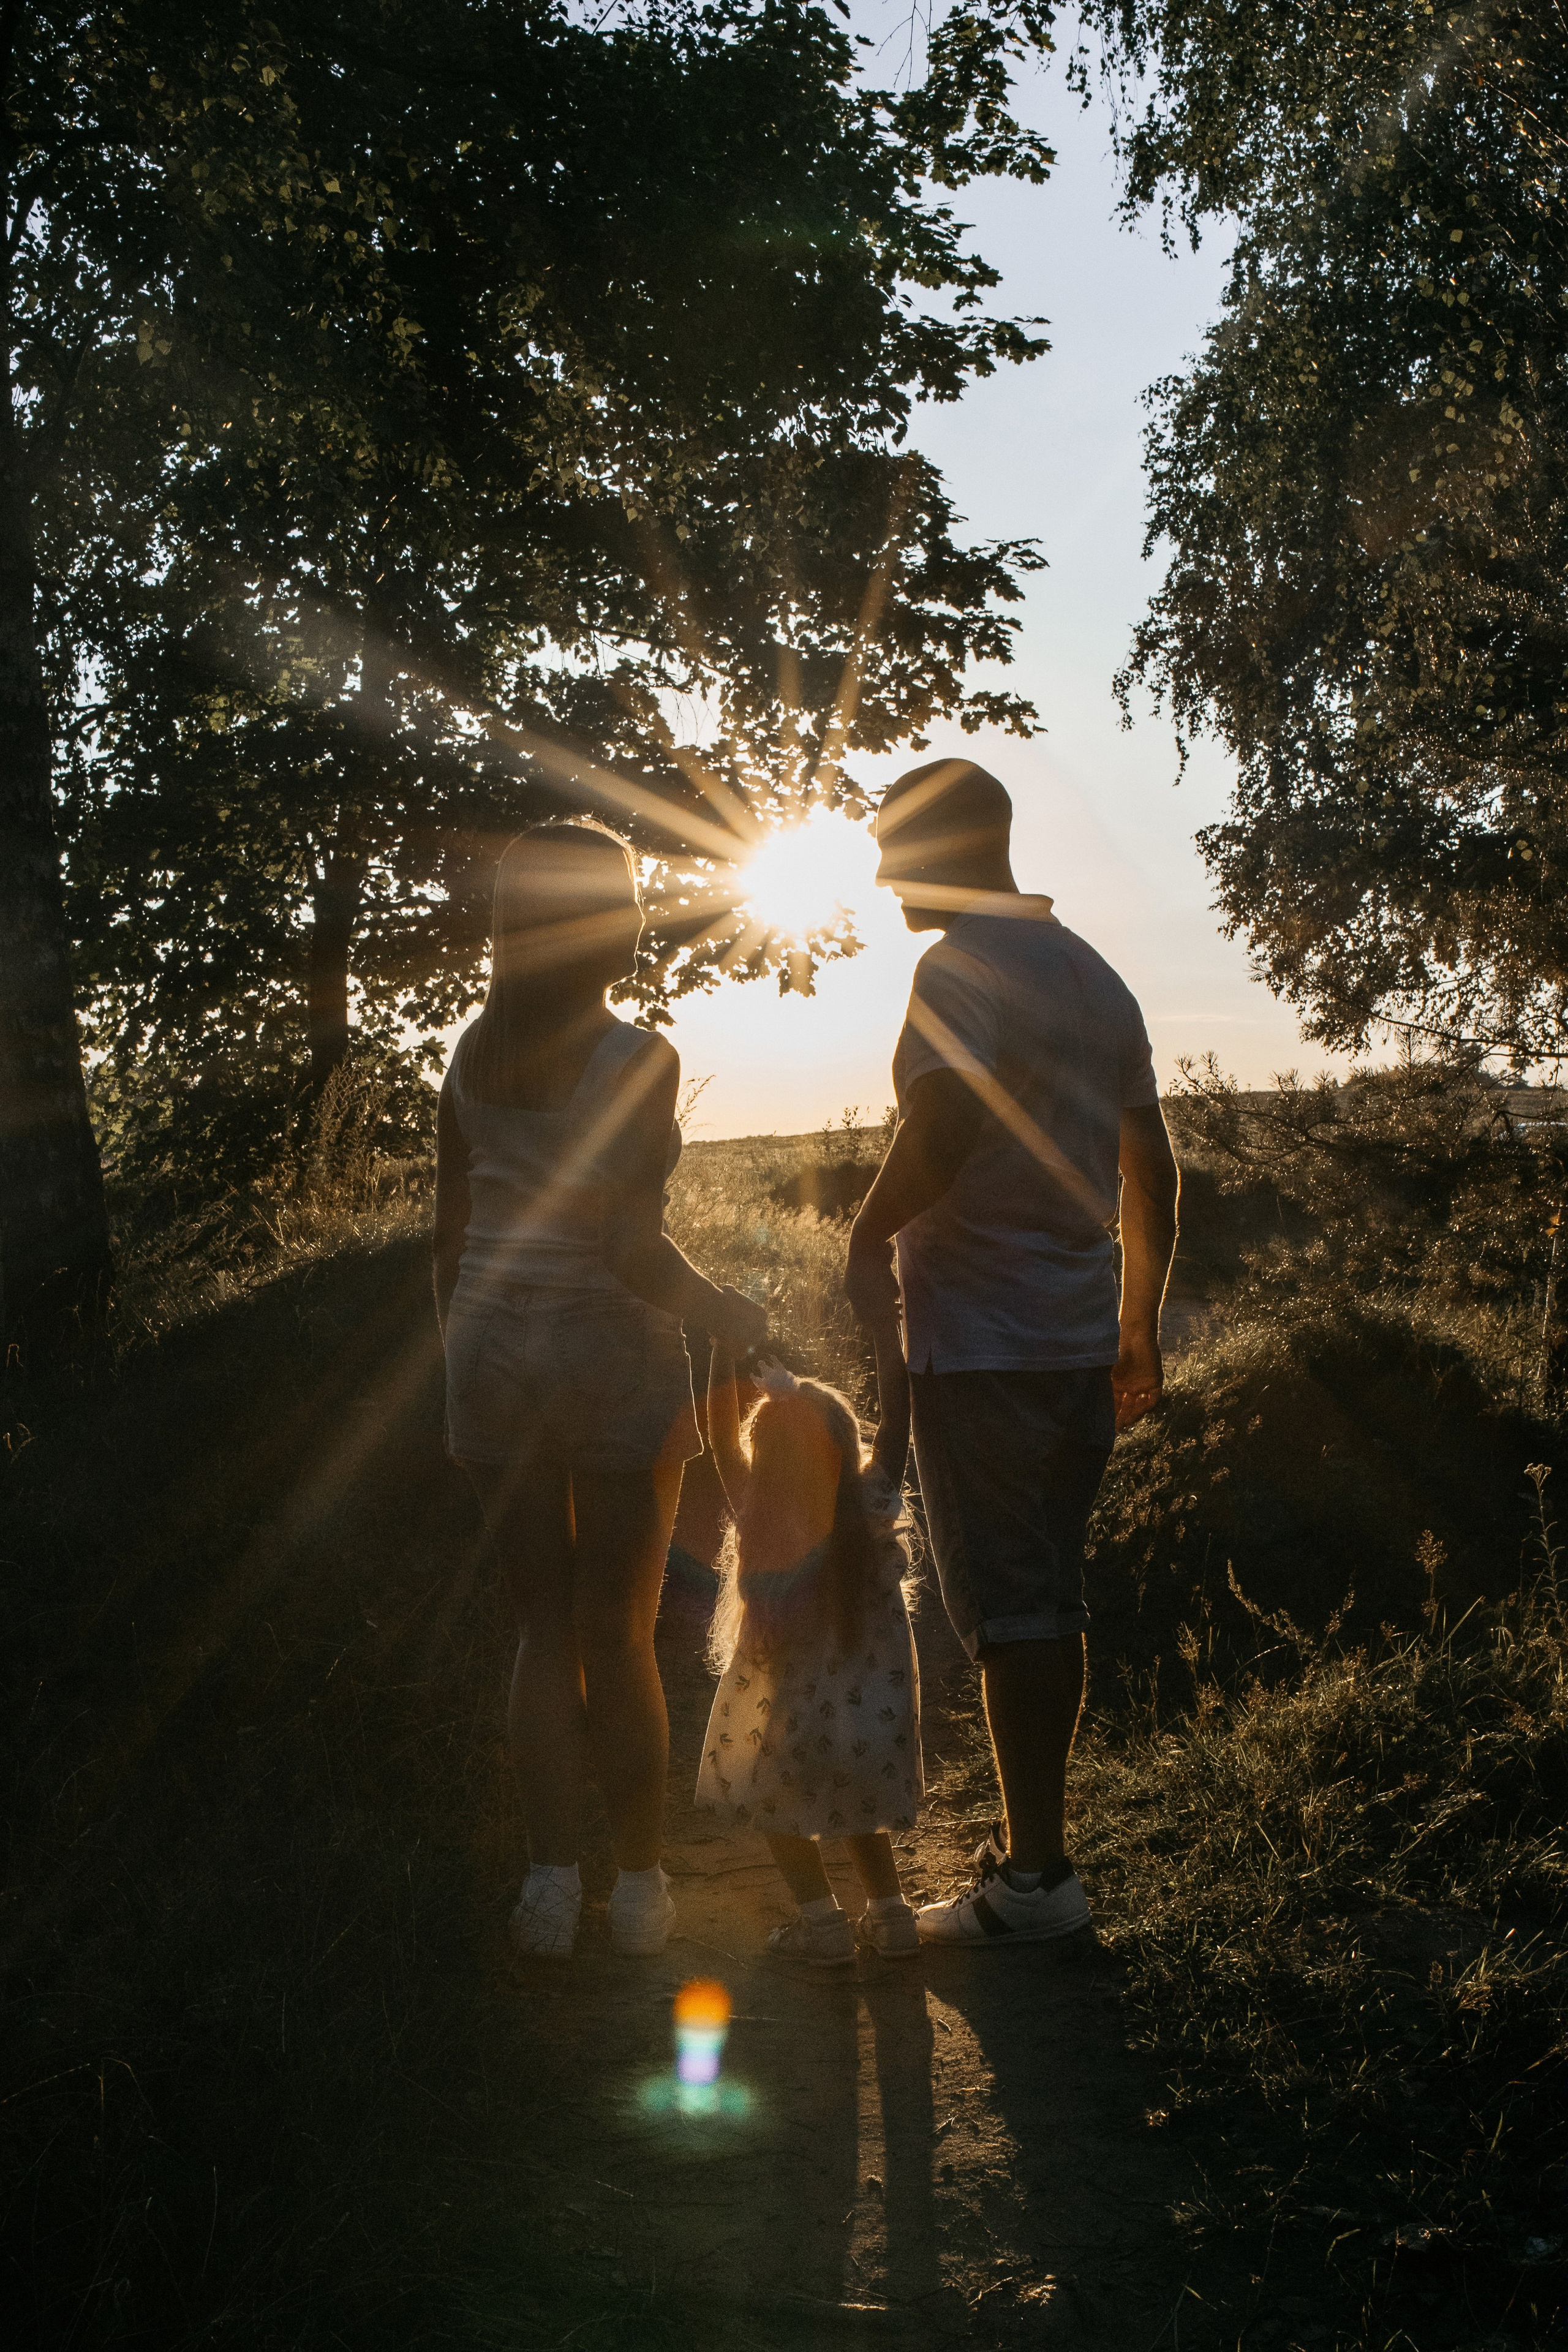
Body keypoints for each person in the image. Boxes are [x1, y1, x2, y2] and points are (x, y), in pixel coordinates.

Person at [845, 758, 1179, 1945]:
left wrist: (863, 1236)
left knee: (1016, 1611)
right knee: (1046, 1597)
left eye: (893, 853)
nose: (882, 879)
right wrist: (1136, 1326)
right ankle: (1035, 1857)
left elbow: (941, 1131)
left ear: (949, 848)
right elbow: (1152, 1168)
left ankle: (1037, 1882)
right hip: (1075, 1339)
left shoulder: (956, 970)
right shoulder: (1092, 974)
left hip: (983, 1344)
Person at [433, 821, 766, 1961]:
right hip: (607, 1357)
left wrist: (463, 1366)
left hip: (490, 1355)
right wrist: (726, 1310)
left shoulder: (473, 1055)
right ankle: (635, 1893)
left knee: (542, 1632)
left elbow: (448, 1238)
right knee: (618, 1634)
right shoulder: (638, 1059)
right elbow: (631, 1250)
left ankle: (545, 1891)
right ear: (605, 918)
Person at [694, 1328, 923, 1967]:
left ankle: (822, 1924)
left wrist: (719, 1346)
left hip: (793, 1724)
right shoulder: (873, 1503)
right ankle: (892, 1917)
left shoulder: (760, 1508)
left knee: (776, 1807)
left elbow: (719, 1438)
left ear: (764, 1454)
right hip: (874, 1722)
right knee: (861, 1808)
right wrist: (886, 1328)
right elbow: (897, 1422)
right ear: (849, 1445)